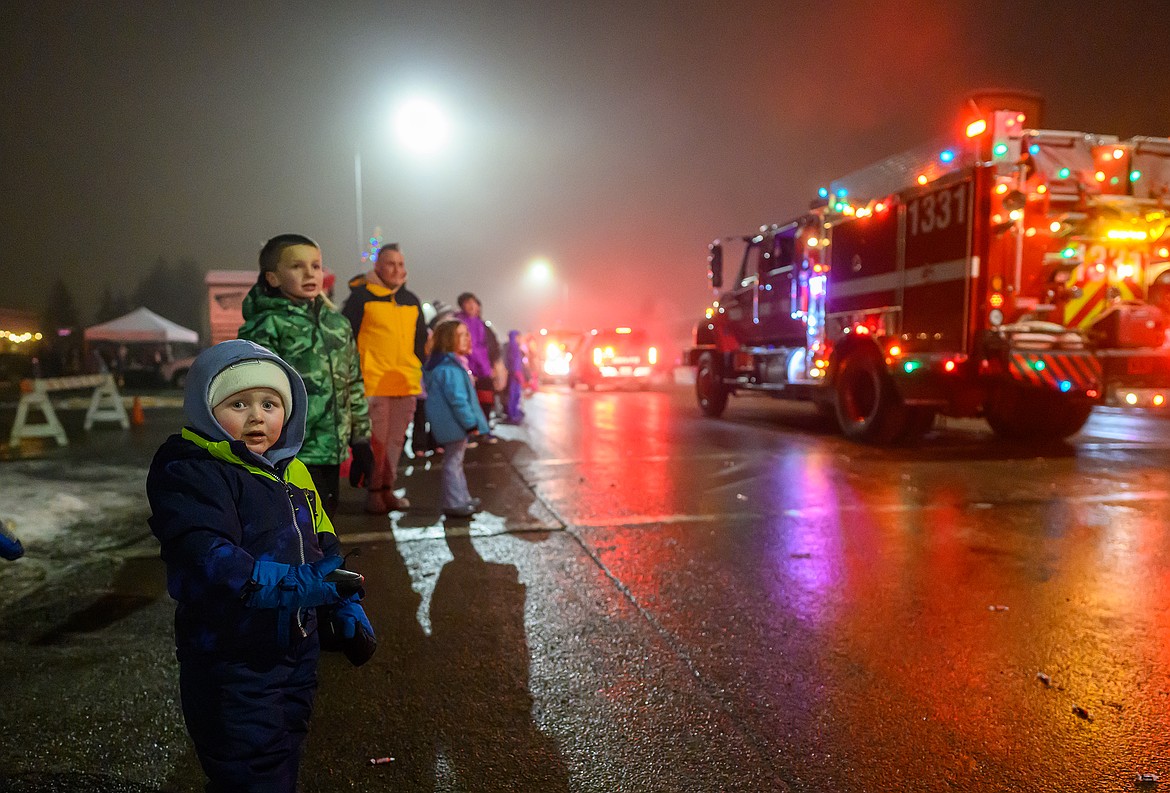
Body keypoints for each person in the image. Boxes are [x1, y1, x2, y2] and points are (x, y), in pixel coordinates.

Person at [146, 339, 373, 792]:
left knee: (283, 755)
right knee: (250, 770)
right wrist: (300, 585)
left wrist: (340, 601)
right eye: (238, 403)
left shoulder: (293, 470)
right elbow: (209, 561)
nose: (257, 416)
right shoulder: (191, 472)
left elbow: (322, 541)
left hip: (296, 651)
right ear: (206, 410)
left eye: (270, 403)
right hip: (232, 661)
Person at [237, 233, 373, 516]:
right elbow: (255, 395)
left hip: (331, 452)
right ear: (273, 278)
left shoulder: (338, 324)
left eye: (316, 265)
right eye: (297, 266)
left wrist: (361, 441)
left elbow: (353, 383)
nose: (310, 273)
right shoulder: (265, 326)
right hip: (289, 454)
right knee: (295, 534)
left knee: (325, 527)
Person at [342, 243, 427, 513]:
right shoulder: (360, 298)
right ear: (377, 266)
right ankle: (374, 492)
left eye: (401, 264)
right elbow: (347, 339)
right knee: (375, 443)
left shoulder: (411, 300)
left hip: (405, 382)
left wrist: (416, 365)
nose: (397, 269)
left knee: (395, 443)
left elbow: (420, 339)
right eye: (390, 263)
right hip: (373, 383)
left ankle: (388, 488)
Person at [424, 319, 490, 518]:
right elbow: (458, 401)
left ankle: (462, 498)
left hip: (451, 425)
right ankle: (454, 502)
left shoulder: (450, 364)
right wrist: (470, 424)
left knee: (455, 462)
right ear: (448, 340)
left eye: (467, 334)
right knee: (453, 463)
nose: (467, 339)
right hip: (454, 425)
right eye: (461, 335)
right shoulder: (450, 368)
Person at [453, 292, 501, 439]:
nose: (472, 306)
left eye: (474, 302)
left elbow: (492, 347)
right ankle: (468, 433)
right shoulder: (458, 323)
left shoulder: (482, 325)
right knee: (467, 403)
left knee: (485, 401)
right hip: (466, 368)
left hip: (484, 370)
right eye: (467, 303)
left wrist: (492, 366)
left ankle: (484, 430)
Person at [502, 329, 529, 424]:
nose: (520, 339)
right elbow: (516, 363)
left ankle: (513, 414)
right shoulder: (514, 347)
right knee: (513, 396)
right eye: (518, 337)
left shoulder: (509, 346)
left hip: (513, 375)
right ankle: (513, 415)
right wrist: (519, 375)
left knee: (513, 396)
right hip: (515, 376)